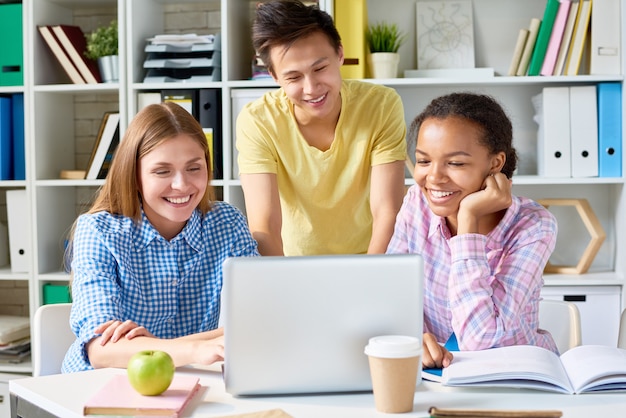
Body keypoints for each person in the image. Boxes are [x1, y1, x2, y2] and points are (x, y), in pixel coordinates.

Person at [62, 102, 259, 373]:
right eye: (162, 171)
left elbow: (258, 322)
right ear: (134, 174)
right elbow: (100, 350)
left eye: (194, 168)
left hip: (194, 380)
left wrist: (150, 347)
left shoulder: (227, 223)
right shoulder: (98, 231)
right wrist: (193, 350)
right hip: (102, 385)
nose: (182, 185)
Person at [387, 92, 559, 368]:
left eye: (455, 163)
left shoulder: (533, 225)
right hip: (439, 376)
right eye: (423, 161)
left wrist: (468, 220)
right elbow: (390, 293)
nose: (433, 177)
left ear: (495, 164)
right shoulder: (416, 203)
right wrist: (413, 339)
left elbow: (480, 341)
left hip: (515, 375)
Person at [236, 0, 407, 256]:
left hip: (370, 257)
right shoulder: (258, 121)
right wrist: (281, 282)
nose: (311, 88)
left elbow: (387, 211)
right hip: (292, 264)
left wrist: (372, 275)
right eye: (293, 77)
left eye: (320, 68)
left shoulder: (381, 105)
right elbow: (265, 226)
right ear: (274, 77)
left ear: (339, 54)